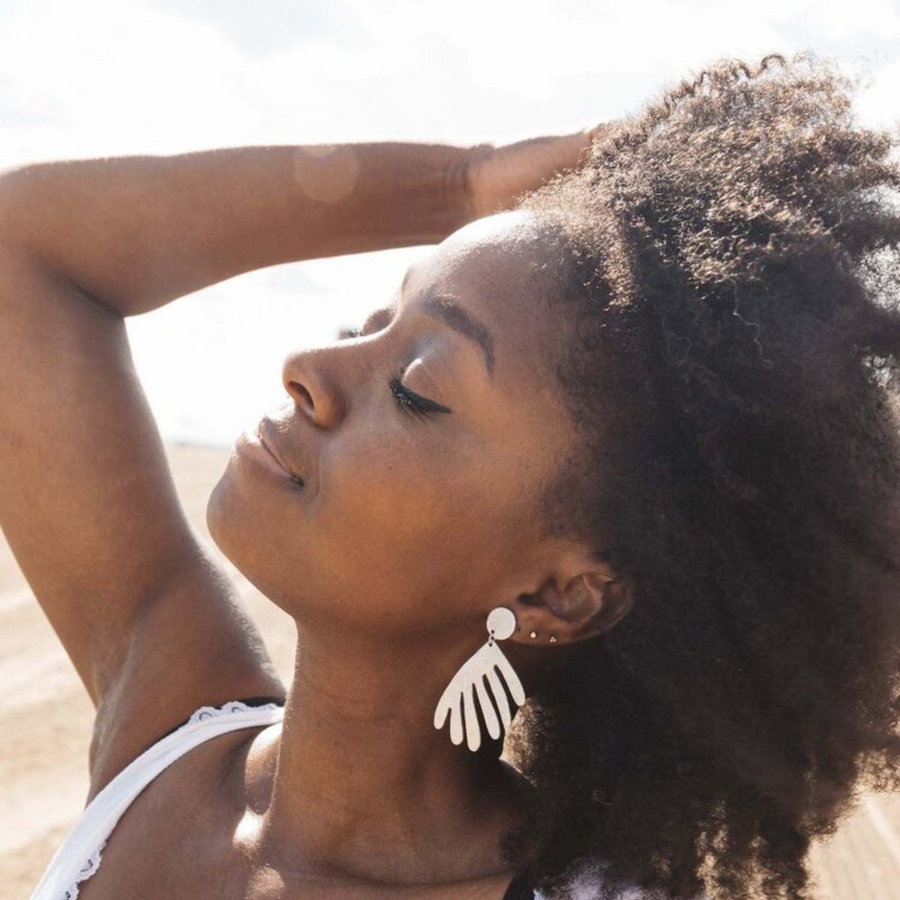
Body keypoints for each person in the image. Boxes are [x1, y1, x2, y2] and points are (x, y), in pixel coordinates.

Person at [4, 50, 900, 900]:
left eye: (417, 389)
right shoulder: (169, 731)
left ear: (562, 593)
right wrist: (459, 184)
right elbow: (20, 248)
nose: (309, 364)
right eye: (369, 320)